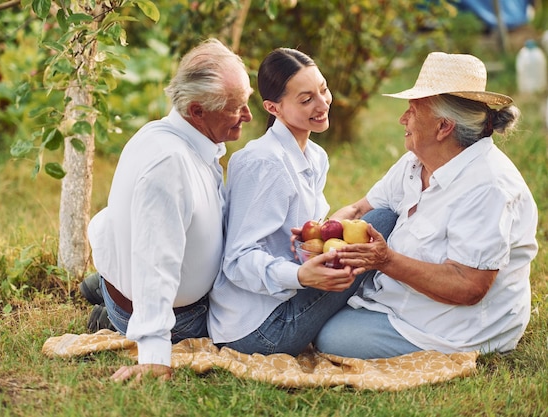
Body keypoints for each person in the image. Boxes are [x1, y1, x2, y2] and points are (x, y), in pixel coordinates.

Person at [314, 52, 539, 359]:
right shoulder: (416, 162)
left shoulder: (488, 186)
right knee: (378, 218)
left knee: (332, 337)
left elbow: (469, 287)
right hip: (402, 295)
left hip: (459, 326)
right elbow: (359, 211)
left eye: (412, 110)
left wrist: (386, 261)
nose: (402, 119)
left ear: (443, 127)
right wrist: (320, 236)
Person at [81, 38, 254, 382]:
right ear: (197, 110)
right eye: (236, 107)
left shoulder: (181, 138)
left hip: (144, 285)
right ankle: (120, 316)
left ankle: (107, 291)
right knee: (256, 326)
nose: (248, 115)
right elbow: (154, 263)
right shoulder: (169, 164)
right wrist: (154, 355)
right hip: (182, 314)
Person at [207, 48, 397, 357]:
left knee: (373, 222)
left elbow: (292, 238)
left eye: (323, 90)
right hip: (261, 329)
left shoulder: (315, 156)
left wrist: (313, 245)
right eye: (306, 99)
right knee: (384, 221)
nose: (322, 105)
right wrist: (299, 275)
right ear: (274, 107)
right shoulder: (264, 164)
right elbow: (238, 260)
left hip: (288, 297)